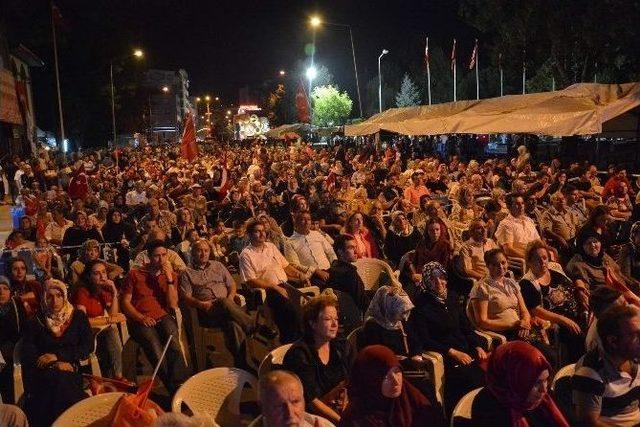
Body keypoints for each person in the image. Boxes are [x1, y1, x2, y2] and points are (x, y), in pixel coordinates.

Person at [407, 262, 486, 412]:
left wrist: (477, 345)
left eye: (441, 278)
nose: (439, 283)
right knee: (470, 381)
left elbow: (466, 326)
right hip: (446, 355)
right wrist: (452, 352)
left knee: (488, 378)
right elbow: (425, 339)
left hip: (466, 351)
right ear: (426, 281)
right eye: (433, 279)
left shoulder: (452, 297)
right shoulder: (422, 304)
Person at [121, 240, 190, 394]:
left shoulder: (171, 276)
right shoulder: (135, 274)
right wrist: (140, 318)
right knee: (155, 347)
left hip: (162, 315)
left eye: (164, 255)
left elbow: (172, 305)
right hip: (140, 318)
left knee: (173, 341)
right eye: (157, 256)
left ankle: (180, 384)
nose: (161, 259)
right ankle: (172, 388)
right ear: (148, 256)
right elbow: (125, 302)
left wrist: (169, 279)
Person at [22, 279, 93, 426]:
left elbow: (87, 346)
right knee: (58, 381)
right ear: (44, 297)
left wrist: (60, 357)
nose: (55, 300)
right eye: (50, 296)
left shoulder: (78, 317)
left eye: (59, 295)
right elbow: (29, 352)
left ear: (65, 296)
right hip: (44, 371)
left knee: (61, 383)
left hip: (72, 368)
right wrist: (54, 364)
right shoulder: (35, 321)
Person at [179, 239, 258, 359]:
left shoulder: (218, 265)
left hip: (227, 308)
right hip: (207, 312)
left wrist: (230, 299)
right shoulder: (187, 272)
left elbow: (231, 285)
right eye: (199, 250)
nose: (203, 253)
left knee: (232, 325)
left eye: (206, 250)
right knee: (223, 301)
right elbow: (187, 297)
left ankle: (241, 363)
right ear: (192, 253)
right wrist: (201, 304)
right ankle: (253, 326)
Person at [283, 292, 354, 424]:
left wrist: (347, 398)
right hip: (311, 417)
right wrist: (343, 421)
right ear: (312, 323)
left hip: (339, 408)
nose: (334, 324)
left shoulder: (341, 346)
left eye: (336, 319)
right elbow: (312, 403)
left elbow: (351, 379)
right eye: (328, 319)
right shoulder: (300, 354)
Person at [339, 344, 445, 427]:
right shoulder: (355, 419)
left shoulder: (411, 398)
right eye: (386, 376)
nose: (396, 381)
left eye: (397, 372)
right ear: (371, 382)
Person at [239, 219, 308, 343]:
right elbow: (251, 280)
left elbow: (286, 266)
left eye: (263, 231)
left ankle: (303, 339)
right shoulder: (246, 254)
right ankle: (291, 343)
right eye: (257, 231)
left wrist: (300, 274)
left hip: (286, 284)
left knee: (308, 304)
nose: (262, 234)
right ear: (249, 234)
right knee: (290, 309)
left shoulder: (271, 246)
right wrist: (275, 287)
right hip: (268, 290)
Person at [471, 341, 570, 426]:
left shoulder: (544, 399)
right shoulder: (488, 406)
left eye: (546, 380)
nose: (544, 389)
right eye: (536, 383)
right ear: (513, 378)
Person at [573, 305, 640, 426]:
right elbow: (589, 423)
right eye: (635, 335)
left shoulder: (633, 356)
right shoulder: (590, 373)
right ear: (613, 341)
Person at [520, 240, 586, 362]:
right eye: (537, 259)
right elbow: (536, 310)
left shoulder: (555, 269)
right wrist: (563, 320)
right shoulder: (527, 283)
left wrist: (581, 290)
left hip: (578, 311)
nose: (542, 262)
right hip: (558, 321)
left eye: (545, 258)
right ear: (529, 262)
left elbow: (576, 276)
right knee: (581, 336)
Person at [73, 259, 125, 379]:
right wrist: (108, 321)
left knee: (112, 330)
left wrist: (114, 292)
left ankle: (116, 376)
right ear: (89, 276)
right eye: (97, 273)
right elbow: (82, 322)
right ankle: (118, 376)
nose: (102, 276)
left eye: (104, 272)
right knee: (111, 330)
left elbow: (113, 315)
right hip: (82, 333)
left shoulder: (103, 290)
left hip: (99, 330)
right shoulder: (82, 291)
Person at [566, 230, 640, 306]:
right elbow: (581, 284)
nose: (592, 245)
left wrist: (632, 283)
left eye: (595, 241)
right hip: (610, 302)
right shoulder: (580, 265)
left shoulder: (604, 257)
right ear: (582, 247)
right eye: (588, 243)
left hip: (625, 292)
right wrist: (581, 290)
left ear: (600, 243)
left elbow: (619, 274)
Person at [259, 370, 335, 427]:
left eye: (295, 402)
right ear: (263, 408)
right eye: (279, 406)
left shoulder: (321, 424)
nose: (290, 413)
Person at [360, 285, 415, 356]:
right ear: (388, 307)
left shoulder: (399, 322)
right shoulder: (372, 327)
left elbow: (415, 342)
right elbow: (378, 356)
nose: (405, 316)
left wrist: (417, 355)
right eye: (402, 312)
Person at [288, 211, 337, 286]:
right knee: (331, 286)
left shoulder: (317, 234)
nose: (307, 222)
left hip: (330, 269)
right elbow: (294, 265)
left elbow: (330, 252)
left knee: (351, 273)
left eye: (309, 219)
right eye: (303, 219)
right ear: (296, 222)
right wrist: (315, 271)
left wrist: (334, 265)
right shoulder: (290, 242)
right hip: (312, 276)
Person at [0, 275, 26, 403]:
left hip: (15, 353)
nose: (1, 292)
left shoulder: (17, 306)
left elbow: (24, 329)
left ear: (10, 291)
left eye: (5, 288)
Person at [326, 234, 367, 312]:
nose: (356, 251)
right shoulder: (348, 273)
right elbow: (361, 301)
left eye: (355, 247)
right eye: (351, 248)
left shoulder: (334, 268)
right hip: (356, 314)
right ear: (340, 252)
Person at [495, 193, 541, 259]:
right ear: (509, 206)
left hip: (536, 257)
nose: (521, 206)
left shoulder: (529, 220)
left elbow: (538, 242)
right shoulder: (506, 224)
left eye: (522, 203)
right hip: (522, 260)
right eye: (517, 204)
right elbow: (508, 250)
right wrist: (528, 258)